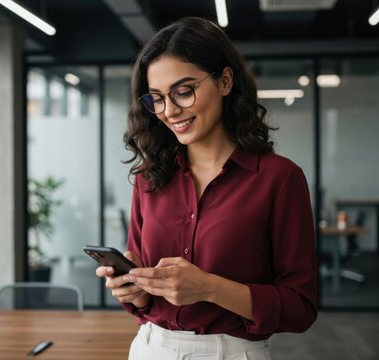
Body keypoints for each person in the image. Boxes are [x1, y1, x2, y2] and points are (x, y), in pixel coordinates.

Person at [96, 16, 317, 360]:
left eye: (183, 92)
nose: (169, 111)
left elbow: (300, 307)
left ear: (225, 80)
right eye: (157, 98)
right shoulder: (149, 179)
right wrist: (133, 290)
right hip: (151, 348)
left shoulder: (280, 179)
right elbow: (144, 298)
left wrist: (210, 288)